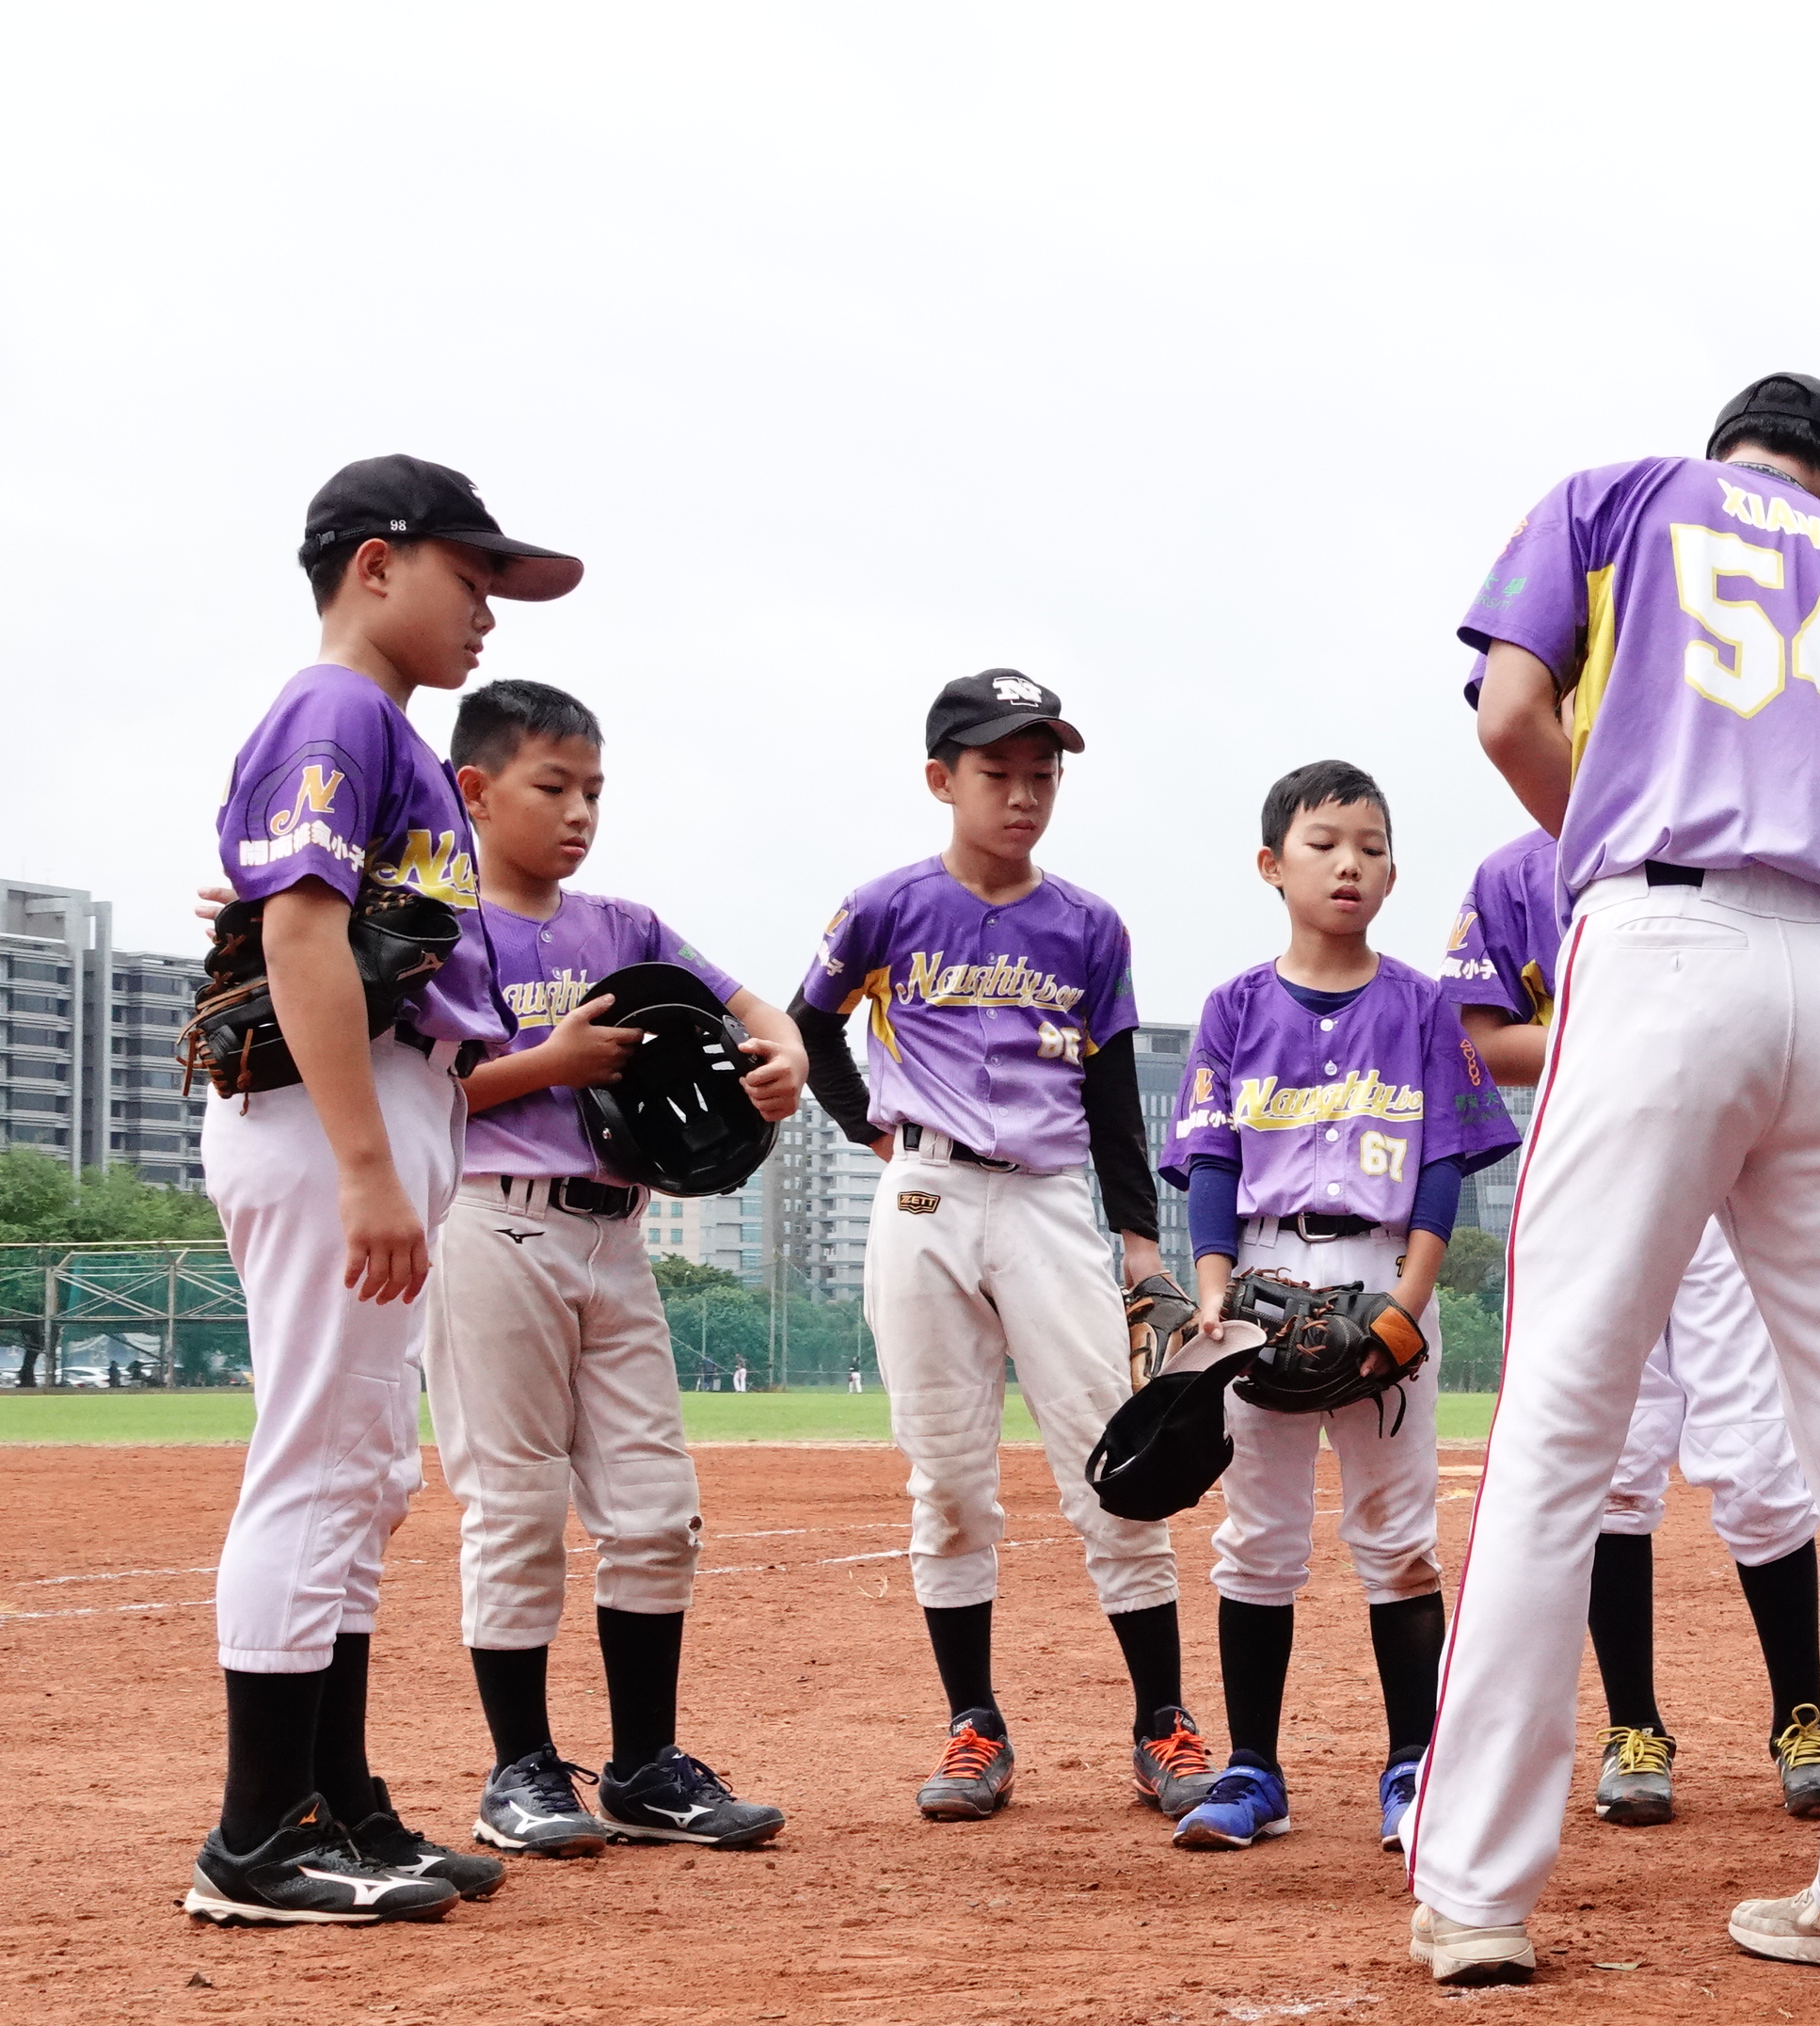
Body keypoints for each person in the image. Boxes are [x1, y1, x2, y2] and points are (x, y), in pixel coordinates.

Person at [1403, 372, 1820, 1987]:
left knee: (1562, 1414)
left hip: (1663, 935)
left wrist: (1613, 850)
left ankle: (1476, 1891)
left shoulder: (1622, 493)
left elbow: (1509, 714)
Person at [185, 455, 573, 1927]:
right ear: (374, 565)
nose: (488, 611)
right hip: (330, 1115)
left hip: (379, 1097)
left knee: (364, 1469)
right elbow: (300, 933)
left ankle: (335, 1799)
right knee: (319, 1458)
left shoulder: (376, 730)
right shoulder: (339, 706)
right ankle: (258, 1837)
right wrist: (364, 1166)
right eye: (469, 578)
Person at [789, 670, 1206, 1834]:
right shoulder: (882, 908)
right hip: (924, 1194)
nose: (1024, 795)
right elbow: (810, 1025)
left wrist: (1140, 1243)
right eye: (998, 772)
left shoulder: (1089, 925)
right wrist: (870, 1130)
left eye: (1042, 774)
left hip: (1048, 1198)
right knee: (947, 1479)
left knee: (1113, 1461)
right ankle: (974, 1725)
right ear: (942, 779)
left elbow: (1113, 1091)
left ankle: (1162, 1724)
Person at [423, 678, 801, 1859]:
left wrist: (783, 1057)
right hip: (492, 1221)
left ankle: (644, 1768)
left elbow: (756, 1009)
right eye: (553, 786)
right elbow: (422, 1091)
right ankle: (520, 1770)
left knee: (655, 1510)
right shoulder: (440, 926)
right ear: (476, 791)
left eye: (594, 789)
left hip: (616, 1233)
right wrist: (553, 1059)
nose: (580, 810)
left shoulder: (625, 926)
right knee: (516, 1506)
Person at [1156, 759, 1516, 1853]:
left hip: (1383, 1267)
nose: (1349, 863)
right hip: (1261, 1275)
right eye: (1323, 844)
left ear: (1393, 874)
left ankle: (1413, 1768)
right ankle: (1252, 1772)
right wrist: (1211, 1292)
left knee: (1398, 1537)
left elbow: (1445, 1162)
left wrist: (1410, 1299)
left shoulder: (1423, 1007)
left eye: (1371, 846)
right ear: (1273, 865)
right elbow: (1213, 1160)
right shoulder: (1232, 1007)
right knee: (1258, 1538)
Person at [1443, 822, 1820, 1825]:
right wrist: (1628, 1041)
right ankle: (1634, 1726)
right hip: (1590, 1179)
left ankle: (1802, 1719)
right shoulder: (1516, 869)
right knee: (1612, 1465)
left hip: (1728, 1187)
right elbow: (1484, 1037)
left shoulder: (1732, 833)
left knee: (1758, 1457)